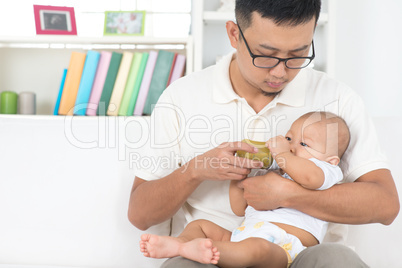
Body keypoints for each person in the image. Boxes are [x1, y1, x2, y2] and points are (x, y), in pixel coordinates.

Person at [128, 0, 400, 267]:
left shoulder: (338, 100)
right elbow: (140, 214)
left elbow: (386, 206)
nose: (281, 71)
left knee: (338, 261)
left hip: (299, 254)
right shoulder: (182, 97)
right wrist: (198, 169)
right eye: (266, 54)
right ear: (234, 34)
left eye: (298, 54)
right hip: (214, 251)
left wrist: (290, 195)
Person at [139, 112, 350, 268]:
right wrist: (241, 175)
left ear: (331, 159)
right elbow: (239, 207)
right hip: (242, 237)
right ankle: (184, 244)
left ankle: (195, 249)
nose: (292, 146)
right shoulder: (274, 171)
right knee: (200, 224)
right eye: (288, 138)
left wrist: (284, 154)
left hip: (284, 249)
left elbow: (310, 178)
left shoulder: (326, 171)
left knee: (259, 249)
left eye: (304, 143)